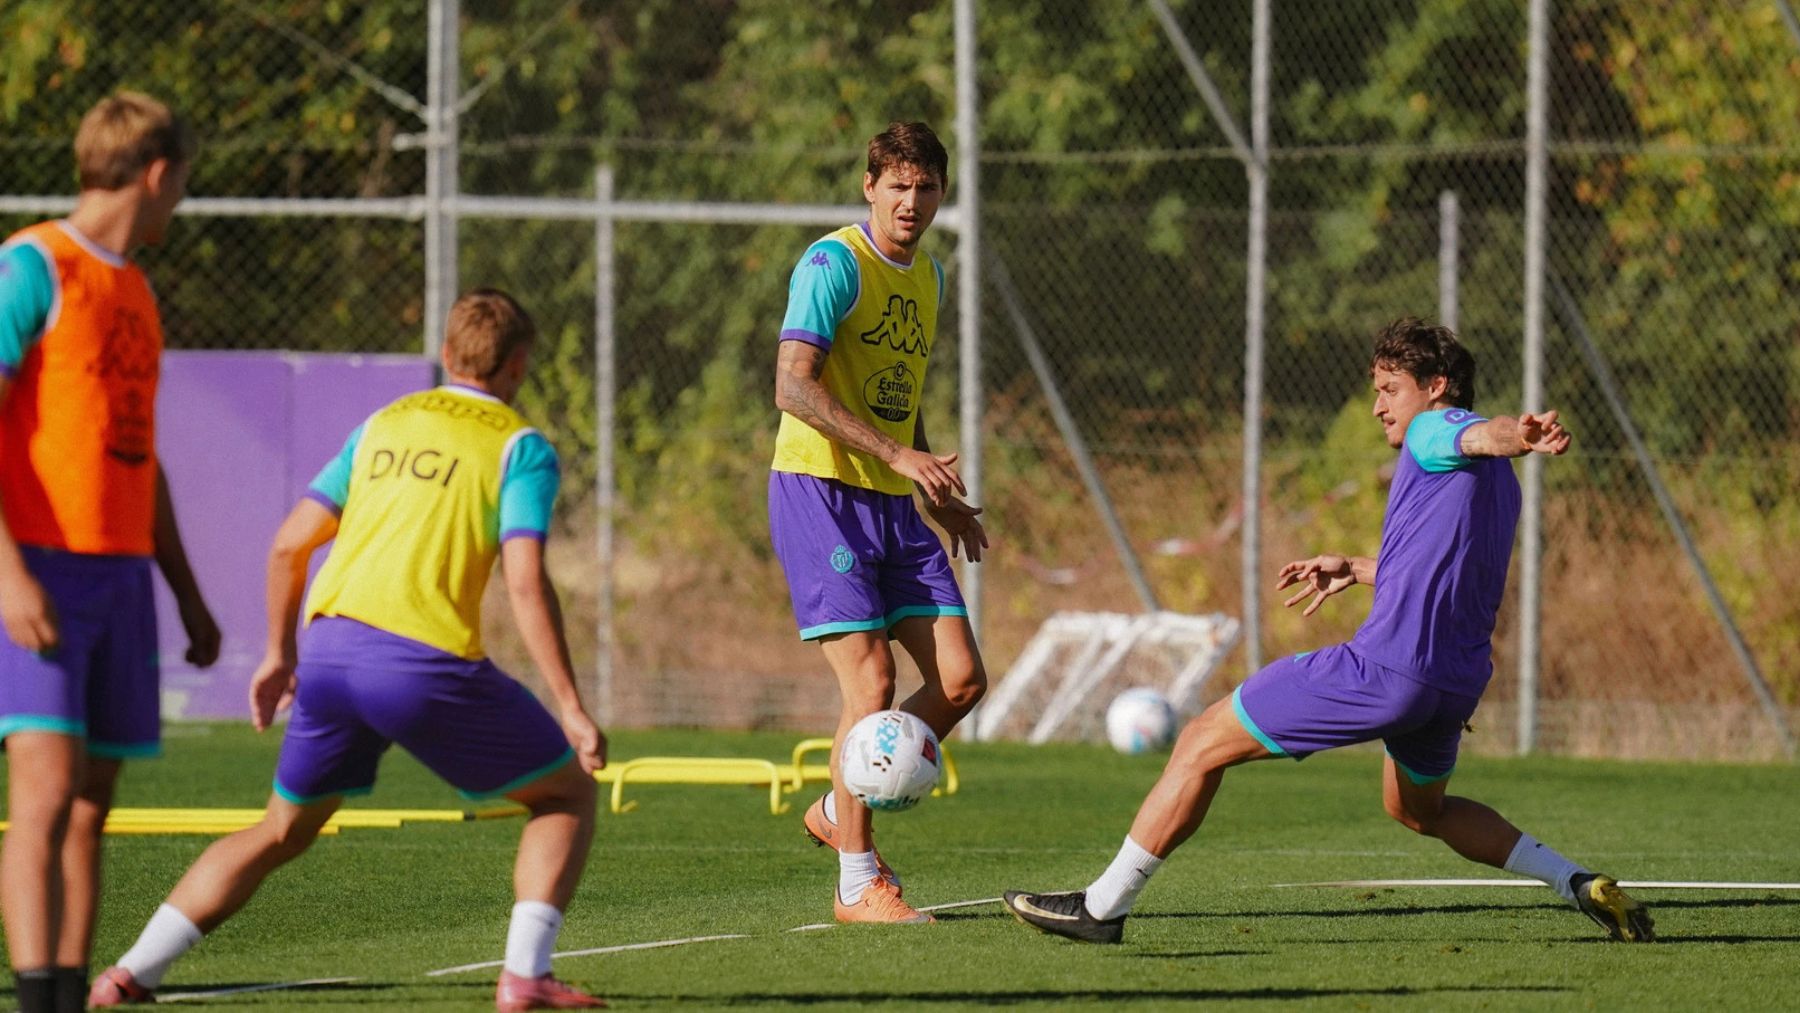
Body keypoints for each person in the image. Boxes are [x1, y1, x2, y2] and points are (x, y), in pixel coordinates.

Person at [1003, 318, 1655, 945]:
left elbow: (1477, 433)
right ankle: (1575, 880)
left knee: (1201, 739)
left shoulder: (1438, 427)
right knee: (1418, 811)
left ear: (1434, 387)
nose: (1378, 406)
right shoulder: (1500, 487)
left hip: (1383, 670)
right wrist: (1362, 568)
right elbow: (1447, 567)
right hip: (1451, 685)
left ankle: (1101, 905)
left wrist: (1519, 431)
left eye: (1387, 387)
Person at [88, 290, 610, 1011]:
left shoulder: (383, 425)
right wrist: (573, 708)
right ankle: (524, 975)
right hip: (422, 663)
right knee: (566, 793)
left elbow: (287, 544)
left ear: (448, 355)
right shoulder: (521, 447)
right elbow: (524, 582)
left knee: (278, 829)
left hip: (329, 651)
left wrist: (277, 654)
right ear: (518, 365)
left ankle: (127, 973)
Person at [0, 91, 221, 1013]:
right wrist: (8, 574)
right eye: (181, 188)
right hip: (39, 570)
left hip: (122, 576)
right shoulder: (30, 268)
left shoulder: (134, 285)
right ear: (159, 174)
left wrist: (186, 590)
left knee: (94, 801)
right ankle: (39, 996)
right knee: (45, 791)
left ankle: (65, 997)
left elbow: (139, 451)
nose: (179, 206)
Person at [770, 121, 989, 924]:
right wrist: (899, 456)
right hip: (820, 490)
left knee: (963, 679)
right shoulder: (833, 264)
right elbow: (793, 387)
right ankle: (858, 881)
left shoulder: (927, 274)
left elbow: (902, 393)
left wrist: (934, 489)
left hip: (895, 501)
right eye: (896, 185)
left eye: (925, 187)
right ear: (869, 187)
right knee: (871, 683)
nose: (910, 200)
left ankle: (838, 803)